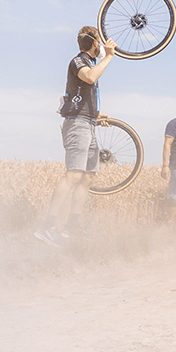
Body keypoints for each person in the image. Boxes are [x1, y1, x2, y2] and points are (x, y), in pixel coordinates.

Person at [35, 26, 117, 246]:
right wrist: (109, 57)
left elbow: (83, 92)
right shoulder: (78, 61)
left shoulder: (91, 63)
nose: (102, 45)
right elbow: (89, 78)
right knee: (73, 175)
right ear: (93, 43)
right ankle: (48, 227)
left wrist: (97, 114)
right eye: (100, 41)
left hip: (88, 122)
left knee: (88, 176)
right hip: (77, 125)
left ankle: (73, 226)